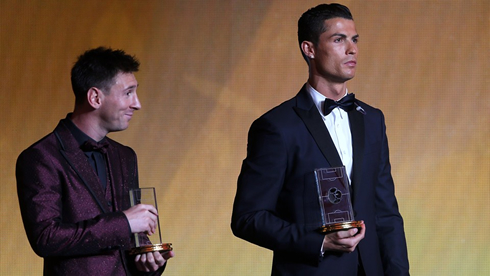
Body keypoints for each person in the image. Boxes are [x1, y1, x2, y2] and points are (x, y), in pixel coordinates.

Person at [231, 3, 409, 275]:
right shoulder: (276, 127)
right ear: (309, 49)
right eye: (339, 40)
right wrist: (320, 241)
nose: (352, 49)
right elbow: (248, 218)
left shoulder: (372, 119)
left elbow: (386, 214)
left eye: (354, 39)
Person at [16, 47, 174, 275]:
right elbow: (46, 238)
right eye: (128, 93)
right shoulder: (40, 158)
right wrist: (124, 223)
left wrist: (147, 259)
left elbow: (131, 237)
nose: (137, 104)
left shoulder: (126, 156)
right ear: (95, 97)